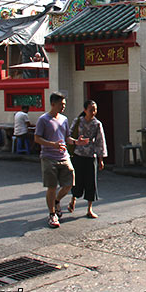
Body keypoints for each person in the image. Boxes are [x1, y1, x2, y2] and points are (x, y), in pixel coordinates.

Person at [34, 92, 88, 228]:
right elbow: (37, 138)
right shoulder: (43, 119)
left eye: (64, 104)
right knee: (51, 186)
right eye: (61, 104)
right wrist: (53, 145)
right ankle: (52, 214)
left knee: (70, 183)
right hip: (48, 157)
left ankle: (57, 201)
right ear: (53, 104)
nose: (63, 107)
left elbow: (67, 137)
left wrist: (76, 142)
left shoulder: (64, 119)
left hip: (63, 156)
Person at [68, 100, 108, 219]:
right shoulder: (78, 121)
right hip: (78, 154)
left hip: (91, 156)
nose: (93, 112)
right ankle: (73, 199)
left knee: (91, 182)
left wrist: (101, 159)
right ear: (85, 110)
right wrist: (75, 142)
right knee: (77, 180)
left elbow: (100, 141)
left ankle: (89, 208)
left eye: (95, 109)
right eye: (91, 109)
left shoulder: (97, 124)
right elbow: (69, 135)